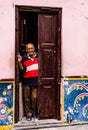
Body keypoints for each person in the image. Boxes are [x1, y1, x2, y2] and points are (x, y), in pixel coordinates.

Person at [17, 43, 38, 121]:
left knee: (34, 97)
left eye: (31, 48)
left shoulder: (39, 56)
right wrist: (19, 62)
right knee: (27, 98)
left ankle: (34, 112)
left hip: (36, 80)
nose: (30, 50)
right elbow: (22, 69)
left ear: (34, 49)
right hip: (26, 80)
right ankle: (28, 114)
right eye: (28, 49)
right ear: (26, 50)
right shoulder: (24, 58)